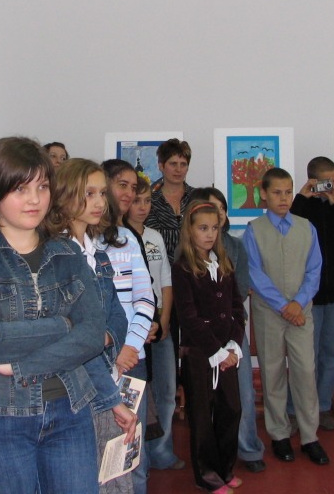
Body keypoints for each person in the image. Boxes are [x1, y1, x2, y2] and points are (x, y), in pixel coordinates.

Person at [0, 137, 106, 494]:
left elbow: (94, 334)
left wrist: (23, 366)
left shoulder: (66, 252)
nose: (35, 199)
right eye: (20, 188)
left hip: (70, 408)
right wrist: (64, 326)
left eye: (42, 187)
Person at [51, 158, 138, 493]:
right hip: (81, 388)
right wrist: (93, 340)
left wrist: (102, 338)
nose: (100, 202)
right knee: (96, 479)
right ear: (65, 195)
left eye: (102, 193)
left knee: (116, 473)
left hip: (106, 370)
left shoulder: (97, 253)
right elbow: (73, 337)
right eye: (89, 193)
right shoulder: (58, 255)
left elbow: (118, 315)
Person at [242, 168, 329, 466]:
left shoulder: (306, 228)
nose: (283, 198)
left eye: (288, 192)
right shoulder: (254, 230)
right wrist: (283, 306)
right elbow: (254, 273)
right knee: (273, 373)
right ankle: (279, 434)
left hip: (301, 313)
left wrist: (298, 303)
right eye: (277, 192)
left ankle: (309, 436)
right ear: (263, 194)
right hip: (269, 312)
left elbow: (314, 270)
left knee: (305, 371)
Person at [192, 187, 266, 474]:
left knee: (242, 392)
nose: (218, 214)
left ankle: (248, 448)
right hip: (203, 335)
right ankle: (212, 459)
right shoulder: (188, 252)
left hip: (233, 329)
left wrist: (230, 326)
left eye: (221, 208)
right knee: (208, 399)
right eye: (211, 208)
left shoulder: (235, 246)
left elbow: (241, 287)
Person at [287, 157, 334, 431]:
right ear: (312, 181)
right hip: (308, 296)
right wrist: (301, 197)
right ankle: (294, 410)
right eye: (326, 181)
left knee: (331, 353)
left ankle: (322, 408)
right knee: (304, 355)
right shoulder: (300, 211)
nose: (331, 186)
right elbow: (286, 233)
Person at [173, 202, 245, 494]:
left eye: (214, 228)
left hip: (226, 354)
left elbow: (237, 308)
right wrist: (217, 351)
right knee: (202, 417)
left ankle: (225, 469)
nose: (210, 234)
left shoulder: (224, 264)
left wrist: (233, 346)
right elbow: (188, 317)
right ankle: (207, 476)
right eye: (203, 228)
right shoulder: (182, 268)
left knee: (232, 410)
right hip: (200, 355)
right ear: (190, 230)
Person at [100, 158, 156, 494]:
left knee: (132, 450)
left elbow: (145, 299)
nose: (129, 193)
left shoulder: (128, 239)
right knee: (102, 451)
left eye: (133, 188)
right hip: (98, 360)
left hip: (133, 358)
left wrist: (131, 346)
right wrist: (116, 349)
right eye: (122, 185)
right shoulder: (76, 241)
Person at [126, 176, 184, 472]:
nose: (143, 207)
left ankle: (161, 452)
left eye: (148, 201)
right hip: (134, 327)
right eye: (136, 201)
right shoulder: (119, 237)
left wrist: (164, 321)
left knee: (166, 391)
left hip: (159, 323)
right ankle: (139, 460)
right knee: (139, 395)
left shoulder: (154, 237)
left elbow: (165, 281)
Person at [145, 138, 194, 262]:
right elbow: (150, 242)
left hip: (195, 270)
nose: (178, 169)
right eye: (173, 164)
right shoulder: (149, 201)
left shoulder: (197, 197)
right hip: (158, 269)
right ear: (161, 166)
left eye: (183, 164)